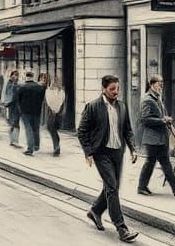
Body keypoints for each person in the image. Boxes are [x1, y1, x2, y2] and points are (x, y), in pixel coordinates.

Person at [77, 74, 139, 243]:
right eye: (112, 89)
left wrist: (133, 149)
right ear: (103, 89)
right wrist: (88, 152)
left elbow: (127, 130)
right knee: (111, 187)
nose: (116, 92)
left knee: (113, 187)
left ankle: (95, 211)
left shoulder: (122, 107)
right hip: (101, 152)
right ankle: (121, 228)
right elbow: (82, 131)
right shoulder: (93, 106)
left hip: (118, 152)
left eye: (117, 89)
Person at [137, 75, 175, 196]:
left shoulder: (157, 98)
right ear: (152, 84)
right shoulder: (147, 100)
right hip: (152, 138)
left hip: (160, 138)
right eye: (159, 83)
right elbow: (145, 119)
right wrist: (163, 120)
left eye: (162, 83)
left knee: (164, 162)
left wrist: (164, 119)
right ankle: (142, 187)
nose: (161, 85)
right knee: (151, 162)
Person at [16, 70, 46, 156]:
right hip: (36, 111)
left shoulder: (22, 87)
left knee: (28, 129)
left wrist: (20, 110)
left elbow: (18, 100)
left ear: (26, 76)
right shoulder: (39, 87)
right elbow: (42, 99)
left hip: (25, 112)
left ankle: (30, 148)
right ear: (33, 76)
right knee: (36, 128)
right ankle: (36, 145)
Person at [42, 72, 66, 156]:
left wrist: (54, 110)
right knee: (53, 129)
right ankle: (56, 145)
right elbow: (61, 102)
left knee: (51, 129)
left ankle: (56, 147)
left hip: (52, 113)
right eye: (54, 81)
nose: (55, 82)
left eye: (56, 81)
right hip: (57, 113)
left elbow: (48, 102)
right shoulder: (61, 91)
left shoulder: (49, 91)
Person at [2, 69, 21, 147]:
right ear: (11, 75)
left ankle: (14, 140)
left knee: (15, 122)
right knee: (14, 122)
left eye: (16, 75)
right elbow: (8, 94)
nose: (15, 76)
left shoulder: (16, 84)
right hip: (11, 105)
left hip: (17, 105)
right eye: (13, 74)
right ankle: (14, 140)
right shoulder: (9, 83)